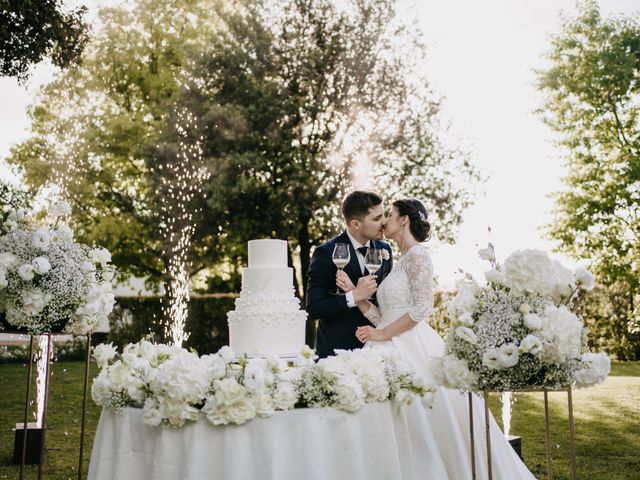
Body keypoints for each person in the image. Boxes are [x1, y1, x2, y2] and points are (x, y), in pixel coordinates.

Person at [336, 198, 536, 480]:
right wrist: (356, 297)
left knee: (422, 420)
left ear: (404, 219)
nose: (384, 221)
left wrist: (381, 333)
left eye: (389, 215)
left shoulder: (419, 255)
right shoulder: (401, 261)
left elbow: (421, 308)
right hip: (393, 339)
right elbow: (387, 316)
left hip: (413, 345)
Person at [306, 191, 393, 359]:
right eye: (376, 219)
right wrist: (354, 296)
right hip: (337, 353)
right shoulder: (325, 253)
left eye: (383, 215)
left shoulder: (385, 250)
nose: (384, 223)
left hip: (376, 351)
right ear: (356, 224)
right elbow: (314, 308)